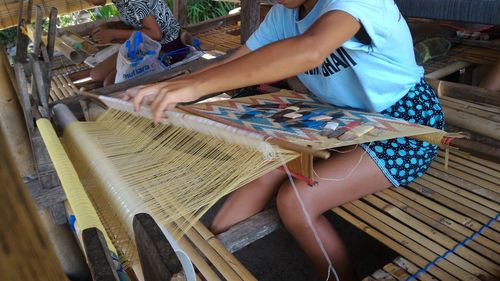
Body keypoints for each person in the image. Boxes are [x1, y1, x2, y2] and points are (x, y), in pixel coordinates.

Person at [125, 0, 445, 279]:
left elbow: (310, 50)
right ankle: (206, 260)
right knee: (268, 166)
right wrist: (173, 87)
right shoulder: (284, 14)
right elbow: (239, 58)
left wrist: (193, 89)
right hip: (342, 122)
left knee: (295, 200)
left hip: (404, 126)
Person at [84, 0, 187, 85]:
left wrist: (113, 33)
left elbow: (156, 34)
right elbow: (134, 23)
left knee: (109, 82)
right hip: (147, 44)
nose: (89, 3)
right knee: (96, 74)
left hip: (168, 48)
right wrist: (109, 26)